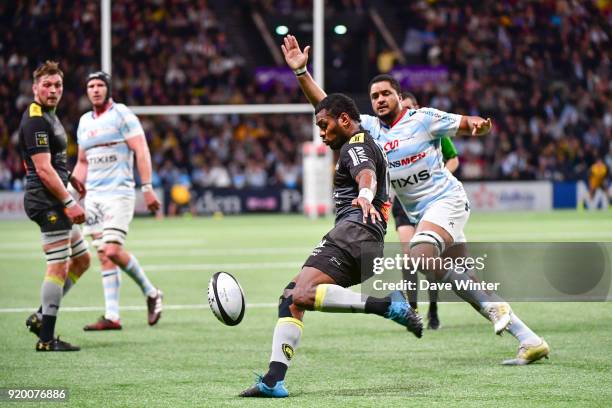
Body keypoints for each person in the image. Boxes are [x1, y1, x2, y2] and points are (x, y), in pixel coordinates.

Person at [281, 34, 549, 365]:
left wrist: (478, 126)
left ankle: (499, 310)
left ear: (398, 96)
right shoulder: (372, 131)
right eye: (374, 96)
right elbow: (328, 108)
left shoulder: (422, 118)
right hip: (422, 214)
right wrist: (301, 73)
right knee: (464, 282)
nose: (379, 100)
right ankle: (530, 339)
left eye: (385, 94)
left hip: (447, 200)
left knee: (420, 256)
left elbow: (465, 124)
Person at [240, 94, 423, 398]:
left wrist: (365, 194)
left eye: (324, 126)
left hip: (355, 231)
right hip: (361, 236)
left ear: (345, 121)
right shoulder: (360, 141)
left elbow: (366, 173)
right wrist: (300, 72)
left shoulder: (356, 146)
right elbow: (325, 103)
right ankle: (273, 381)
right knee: (290, 298)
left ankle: (388, 305)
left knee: (301, 293)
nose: (321, 133)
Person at [72, 71, 163, 330]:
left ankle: (151, 291)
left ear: (108, 89)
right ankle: (112, 316)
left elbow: (141, 149)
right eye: (91, 86)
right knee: (103, 255)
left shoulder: (121, 114)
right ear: (87, 91)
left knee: (112, 249)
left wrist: (146, 186)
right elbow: (81, 162)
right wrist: (71, 198)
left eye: (100, 85)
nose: (96, 89)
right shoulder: (84, 122)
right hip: (94, 198)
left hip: (118, 194)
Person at [19, 61, 91, 351]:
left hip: (54, 196)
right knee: (58, 266)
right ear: (35, 88)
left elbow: (54, 165)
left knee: (82, 260)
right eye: (47, 85)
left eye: (57, 85)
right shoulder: (36, 119)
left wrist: (71, 177)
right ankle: (46, 338)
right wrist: (70, 201)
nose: (52, 90)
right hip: (47, 201)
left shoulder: (50, 115)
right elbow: (44, 170)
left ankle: (41, 315)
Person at [394, 91, 460, 330]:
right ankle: (413, 310)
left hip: (433, 201)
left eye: (409, 108)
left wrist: (438, 178)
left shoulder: (429, 126)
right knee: (408, 258)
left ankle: (433, 308)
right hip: (403, 204)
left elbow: (453, 159)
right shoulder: (391, 134)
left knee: (429, 259)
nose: (405, 112)